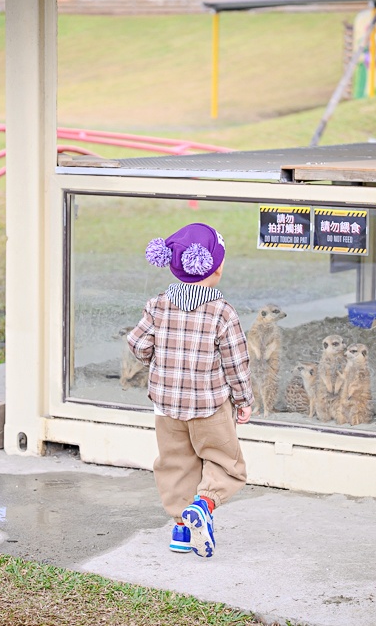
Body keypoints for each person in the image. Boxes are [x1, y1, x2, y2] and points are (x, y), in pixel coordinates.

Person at [127, 222, 253, 559]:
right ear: (217, 267)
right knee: (226, 462)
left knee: (176, 463)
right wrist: (243, 400)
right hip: (209, 407)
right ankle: (205, 503)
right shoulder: (222, 313)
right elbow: (236, 363)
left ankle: (181, 528)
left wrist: (158, 359)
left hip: (166, 406)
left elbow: (137, 342)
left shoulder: (157, 305)